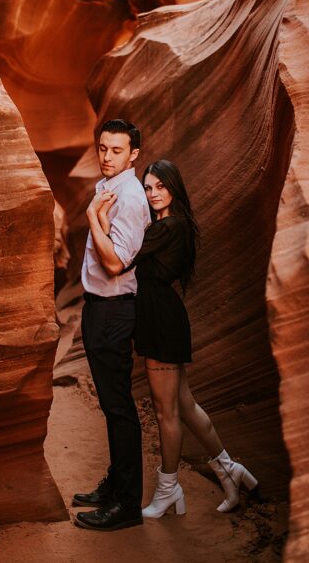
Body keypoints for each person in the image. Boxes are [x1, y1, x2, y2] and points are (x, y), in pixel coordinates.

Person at [98, 159, 256, 518]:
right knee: (184, 405)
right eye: (148, 188)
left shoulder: (167, 227)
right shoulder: (174, 225)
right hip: (163, 319)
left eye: (160, 187)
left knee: (166, 411)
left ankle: (168, 489)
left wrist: (101, 219)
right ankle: (229, 470)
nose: (153, 194)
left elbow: (122, 257)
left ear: (174, 188)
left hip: (162, 324)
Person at [72, 118, 151, 532]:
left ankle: (127, 505)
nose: (107, 156)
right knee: (111, 404)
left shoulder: (131, 197)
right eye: (103, 148)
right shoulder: (110, 188)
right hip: (100, 306)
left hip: (114, 309)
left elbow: (116, 262)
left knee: (119, 407)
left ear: (133, 154)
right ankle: (116, 486)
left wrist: (90, 216)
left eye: (117, 150)